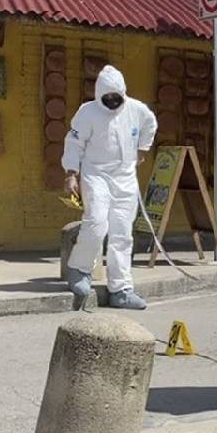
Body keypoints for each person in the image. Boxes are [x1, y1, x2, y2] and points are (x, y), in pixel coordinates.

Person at [63, 65, 158, 310]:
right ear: (99, 95)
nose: (113, 101)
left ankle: (121, 289)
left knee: (122, 234)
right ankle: (79, 269)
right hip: (96, 174)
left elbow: (151, 124)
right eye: (108, 98)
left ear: (123, 93)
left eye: (117, 96)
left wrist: (142, 148)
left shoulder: (137, 110)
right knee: (96, 222)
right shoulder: (87, 112)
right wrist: (71, 173)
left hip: (125, 177)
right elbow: (74, 142)